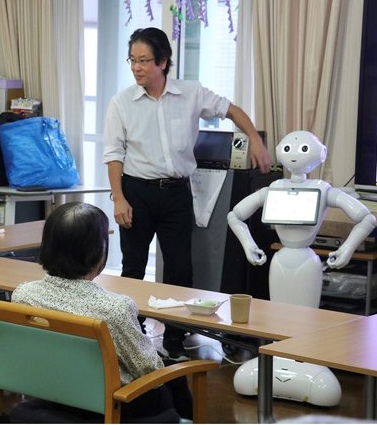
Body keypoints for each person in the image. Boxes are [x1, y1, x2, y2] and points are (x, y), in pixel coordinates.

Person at [103, 27, 272, 360]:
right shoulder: (121, 102)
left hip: (177, 193)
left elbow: (232, 110)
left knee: (180, 269)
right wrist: (119, 197)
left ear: (163, 62)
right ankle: (130, 339)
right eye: (133, 60)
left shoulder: (191, 93)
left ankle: (176, 341)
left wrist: (255, 139)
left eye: (144, 61)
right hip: (136, 191)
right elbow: (114, 154)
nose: (137, 67)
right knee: (133, 268)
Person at [12, 202, 192, 421]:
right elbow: (148, 369)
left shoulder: (24, 295)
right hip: (111, 407)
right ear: (98, 251)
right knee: (173, 376)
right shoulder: (114, 308)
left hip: (54, 396)